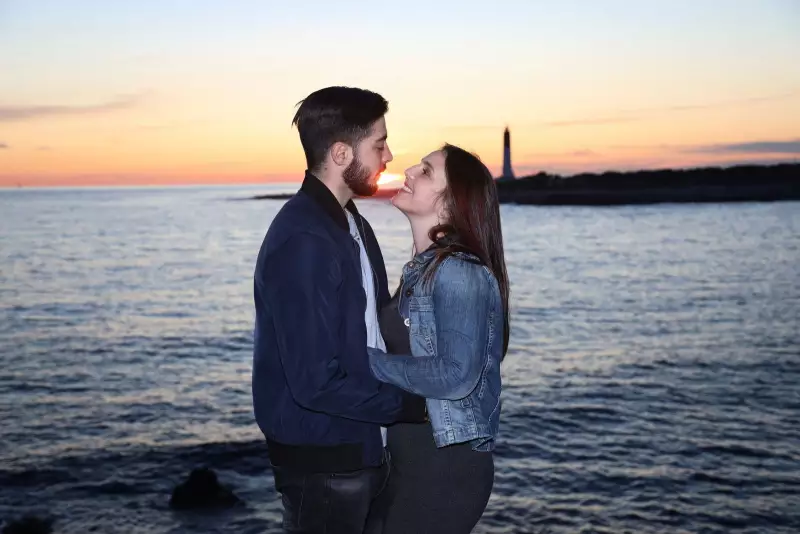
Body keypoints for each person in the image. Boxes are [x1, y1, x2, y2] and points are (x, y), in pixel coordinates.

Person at [252, 86, 427, 534]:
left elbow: (369, 334)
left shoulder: (353, 224)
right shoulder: (304, 238)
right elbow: (314, 382)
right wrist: (416, 406)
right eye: (379, 143)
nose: (389, 155)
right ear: (341, 152)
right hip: (325, 466)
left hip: (360, 449)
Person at [367, 143, 510, 534]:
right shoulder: (421, 271)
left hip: (442, 470)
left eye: (427, 171)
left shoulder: (458, 271)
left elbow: (456, 375)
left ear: (453, 202)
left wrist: (362, 361)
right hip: (408, 463)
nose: (410, 170)